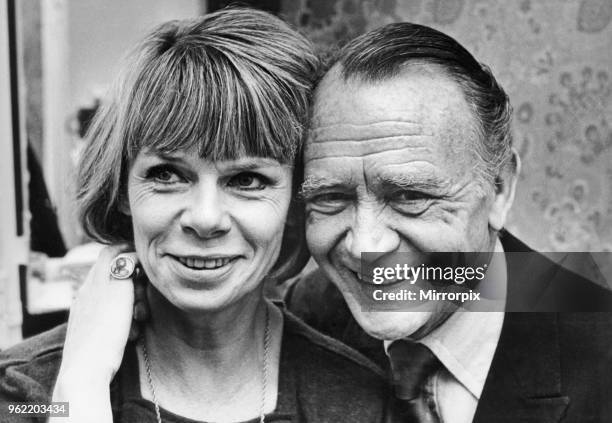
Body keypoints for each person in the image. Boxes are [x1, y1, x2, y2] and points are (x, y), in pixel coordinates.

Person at [0, 9, 390, 423]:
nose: (205, 219)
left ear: (296, 202)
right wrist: (81, 385)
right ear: (123, 190)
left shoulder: (360, 404)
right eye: (167, 174)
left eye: (247, 179)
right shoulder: (24, 393)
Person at [286, 22, 612, 422]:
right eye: (331, 197)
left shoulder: (600, 355)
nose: (363, 246)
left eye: (410, 197)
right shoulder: (307, 314)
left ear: (500, 188)